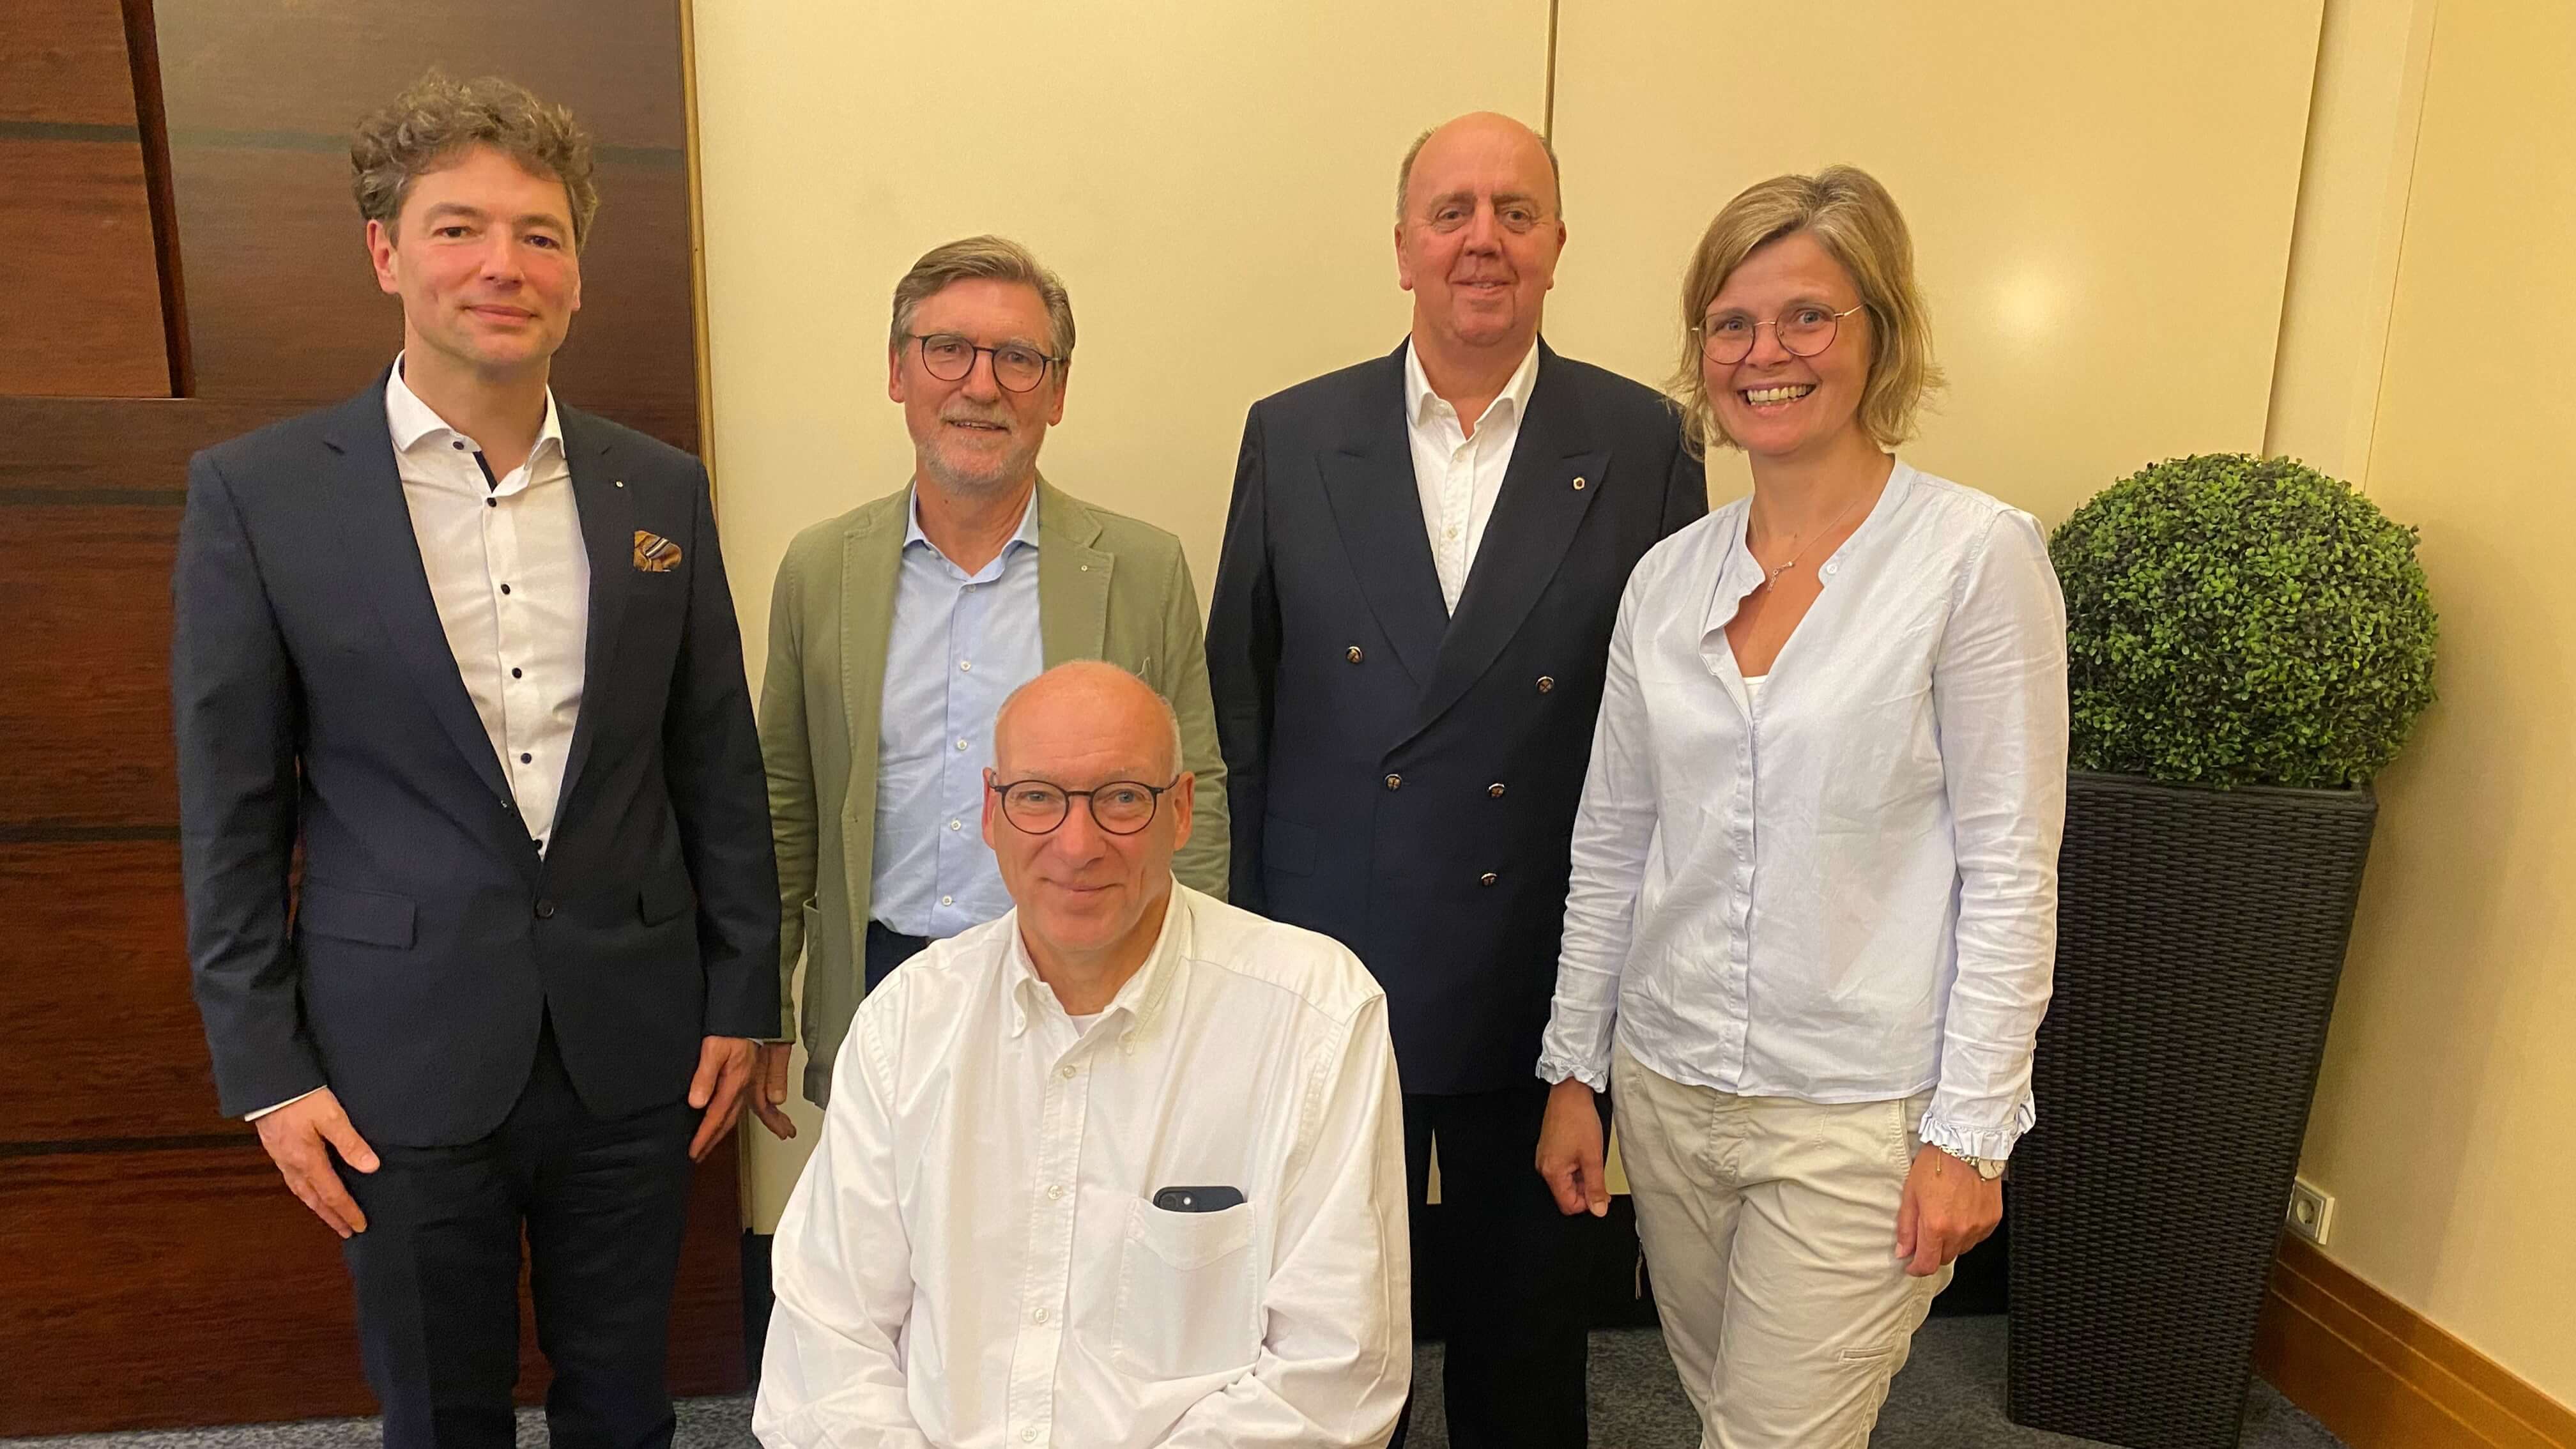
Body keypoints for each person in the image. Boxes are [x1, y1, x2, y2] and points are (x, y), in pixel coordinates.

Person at [170, 73, 779, 1449]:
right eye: (459, 229)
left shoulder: (660, 488)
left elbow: (714, 763)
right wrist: (264, 1068)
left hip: (636, 1043)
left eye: (541, 233)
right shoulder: (260, 498)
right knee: (440, 1411)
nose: (503, 265)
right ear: (385, 252)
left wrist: (746, 995)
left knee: (629, 1403)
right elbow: (231, 814)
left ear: (576, 269)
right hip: (397, 1053)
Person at [1533, 165, 2069, 1446]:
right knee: (1735, 1413)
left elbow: (2011, 868)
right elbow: (1613, 842)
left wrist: (1973, 1134)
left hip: (1855, 1116)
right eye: (1733, 323)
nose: (1766, 353)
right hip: (1667, 1091)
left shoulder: (1973, 559)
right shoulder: (1670, 580)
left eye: (1808, 317)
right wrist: (1574, 1069)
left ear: (1880, 332)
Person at [1205, 112, 1706, 1448]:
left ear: (1555, 246)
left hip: (1543, 970)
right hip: (1332, 960)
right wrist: (1244, 966)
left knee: (1527, 1332)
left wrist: (1613, 1017)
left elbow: (1676, 744)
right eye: (1452, 210)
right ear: (1403, 247)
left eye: (1515, 211)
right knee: (1320, 1331)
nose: (1483, 237)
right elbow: (1241, 718)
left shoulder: (1647, 442)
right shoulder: (1293, 432)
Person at [755, 662, 1407, 1448]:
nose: (1077, 843)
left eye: (1123, 798)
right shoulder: (907, 1021)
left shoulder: (1317, 1016)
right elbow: (827, 1336)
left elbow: (1337, 1372)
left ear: (1182, 810)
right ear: (992, 812)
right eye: (1038, 798)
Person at [754, 236, 1228, 1133]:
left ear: (1055, 390)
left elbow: (1189, 802)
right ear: (900, 372)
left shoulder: (1140, 568)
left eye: (1017, 359)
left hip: (1083, 976)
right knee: (894, 1258)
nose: (981, 386)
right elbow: (785, 803)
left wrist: (1191, 1005)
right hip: (882, 977)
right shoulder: (821, 570)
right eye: (948, 350)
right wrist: (767, 1008)